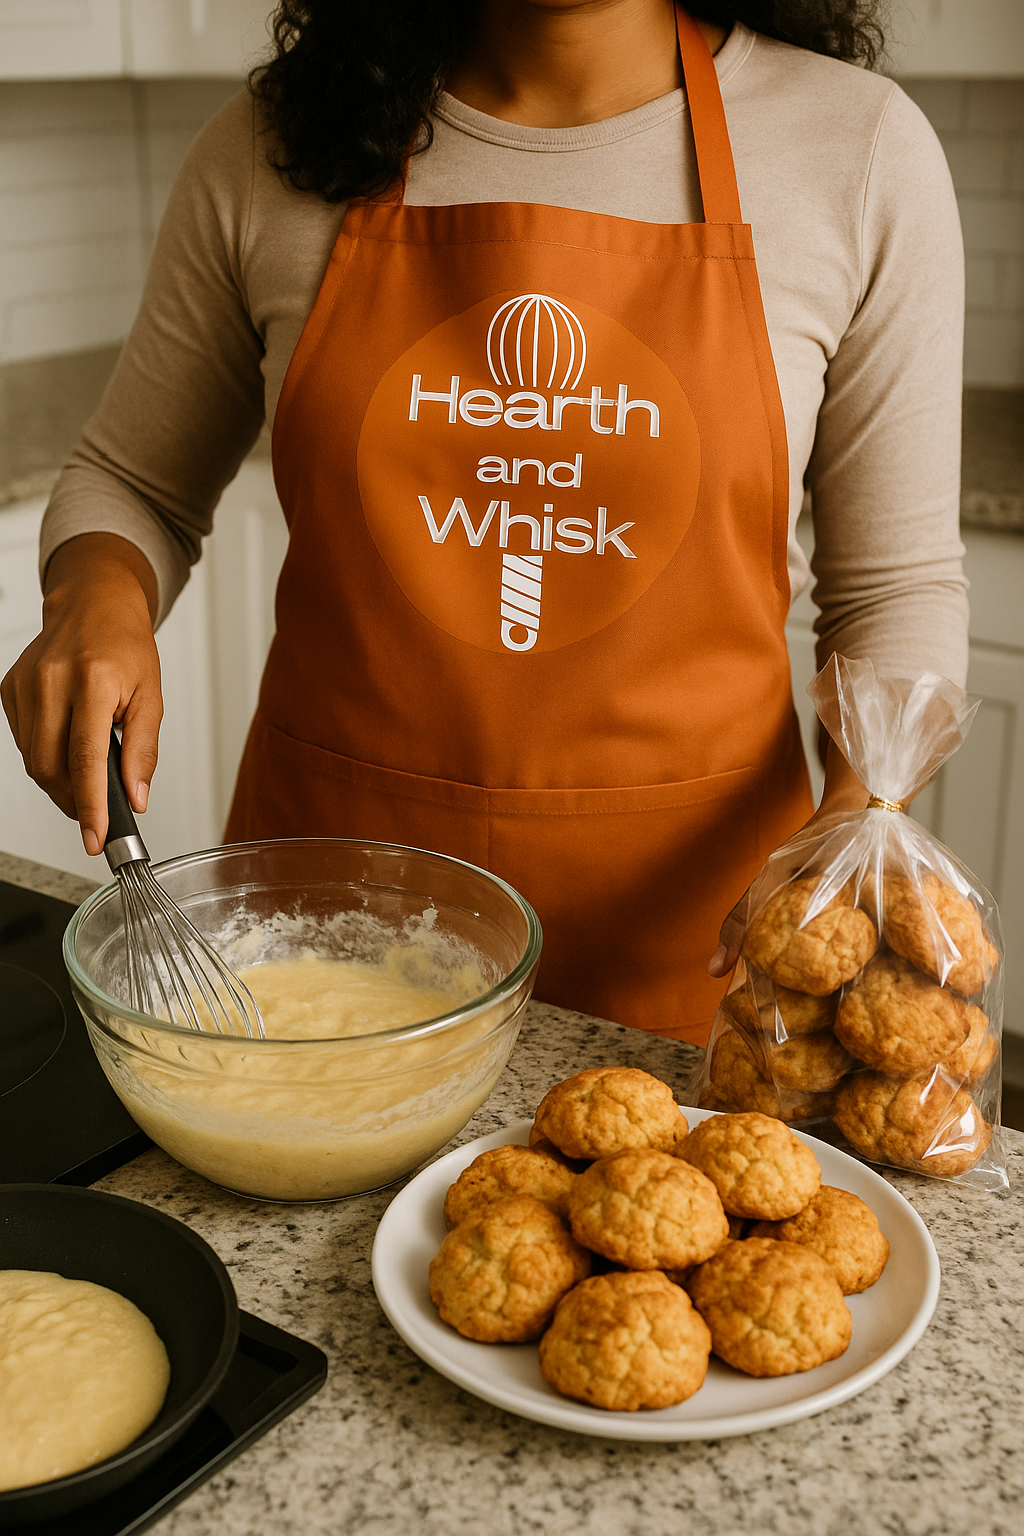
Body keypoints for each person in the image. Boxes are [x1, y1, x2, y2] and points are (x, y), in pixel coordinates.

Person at [1, 1, 967, 1045]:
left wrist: (857, 808)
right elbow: (130, 479)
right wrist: (94, 597)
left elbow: (893, 588)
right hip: (328, 942)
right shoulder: (274, 145)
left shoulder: (856, 149)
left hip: (701, 950)